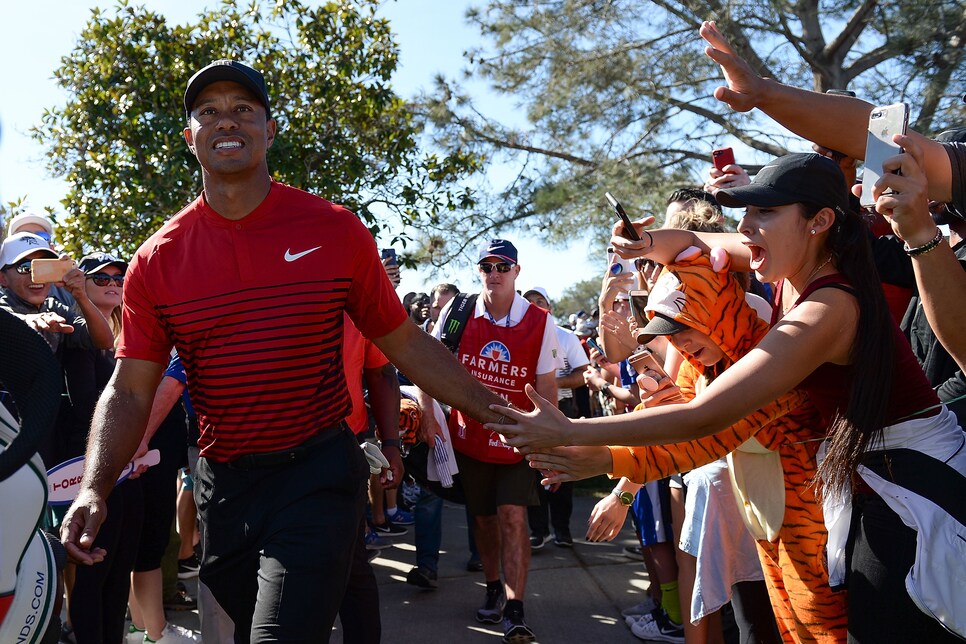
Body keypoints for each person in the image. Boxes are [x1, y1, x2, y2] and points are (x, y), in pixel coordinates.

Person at [60, 59, 515, 643]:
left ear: (270, 129)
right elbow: (129, 387)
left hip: (318, 473)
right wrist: (96, 488)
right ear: (189, 136)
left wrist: (502, 416)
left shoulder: (335, 229)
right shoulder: (157, 259)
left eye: (244, 109)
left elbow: (404, 343)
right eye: (209, 112)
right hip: (226, 487)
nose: (227, 121)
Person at [491, 152, 966, 642]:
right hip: (868, 481)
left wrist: (573, 430)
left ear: (820, 221)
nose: (747, 228)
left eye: (765, 212)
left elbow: (708, 415)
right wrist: (646, 242)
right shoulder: (795, 263)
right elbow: (693, 240)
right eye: (746, 213)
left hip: (914, 486)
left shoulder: (830, 306)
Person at [698, 20, 966, 372]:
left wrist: (919, 234)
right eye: (817, 149)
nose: (823, 160)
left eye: (836, 151)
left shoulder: (884, 230)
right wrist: (763, 93)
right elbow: (868, 130)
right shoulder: (881, 217)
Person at [418, 238, 562, 643]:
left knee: (513, 517)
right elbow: (427, 363)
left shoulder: (540, 320)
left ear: (518, 272)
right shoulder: (458, 311)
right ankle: (494, 584)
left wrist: (548, 442)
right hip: (469, 441)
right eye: (487, 266)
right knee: (482, 520)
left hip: (518, 441)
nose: (494, 274)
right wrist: (429, 414)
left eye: (503, 267)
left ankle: (515, 609)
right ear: (479, 270)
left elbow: (548, 387)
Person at [522, 286, 589, 549]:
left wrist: (550, 381)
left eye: (540, 301)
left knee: (564, 467)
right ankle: (539, 530)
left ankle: (562, 529)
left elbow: (584, 373)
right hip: (529, 409)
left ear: (549, 307)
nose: (535, 305)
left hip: (562, 406)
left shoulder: (566, 336)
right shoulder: (519, 334)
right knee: (532, 469)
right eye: (529, 302)